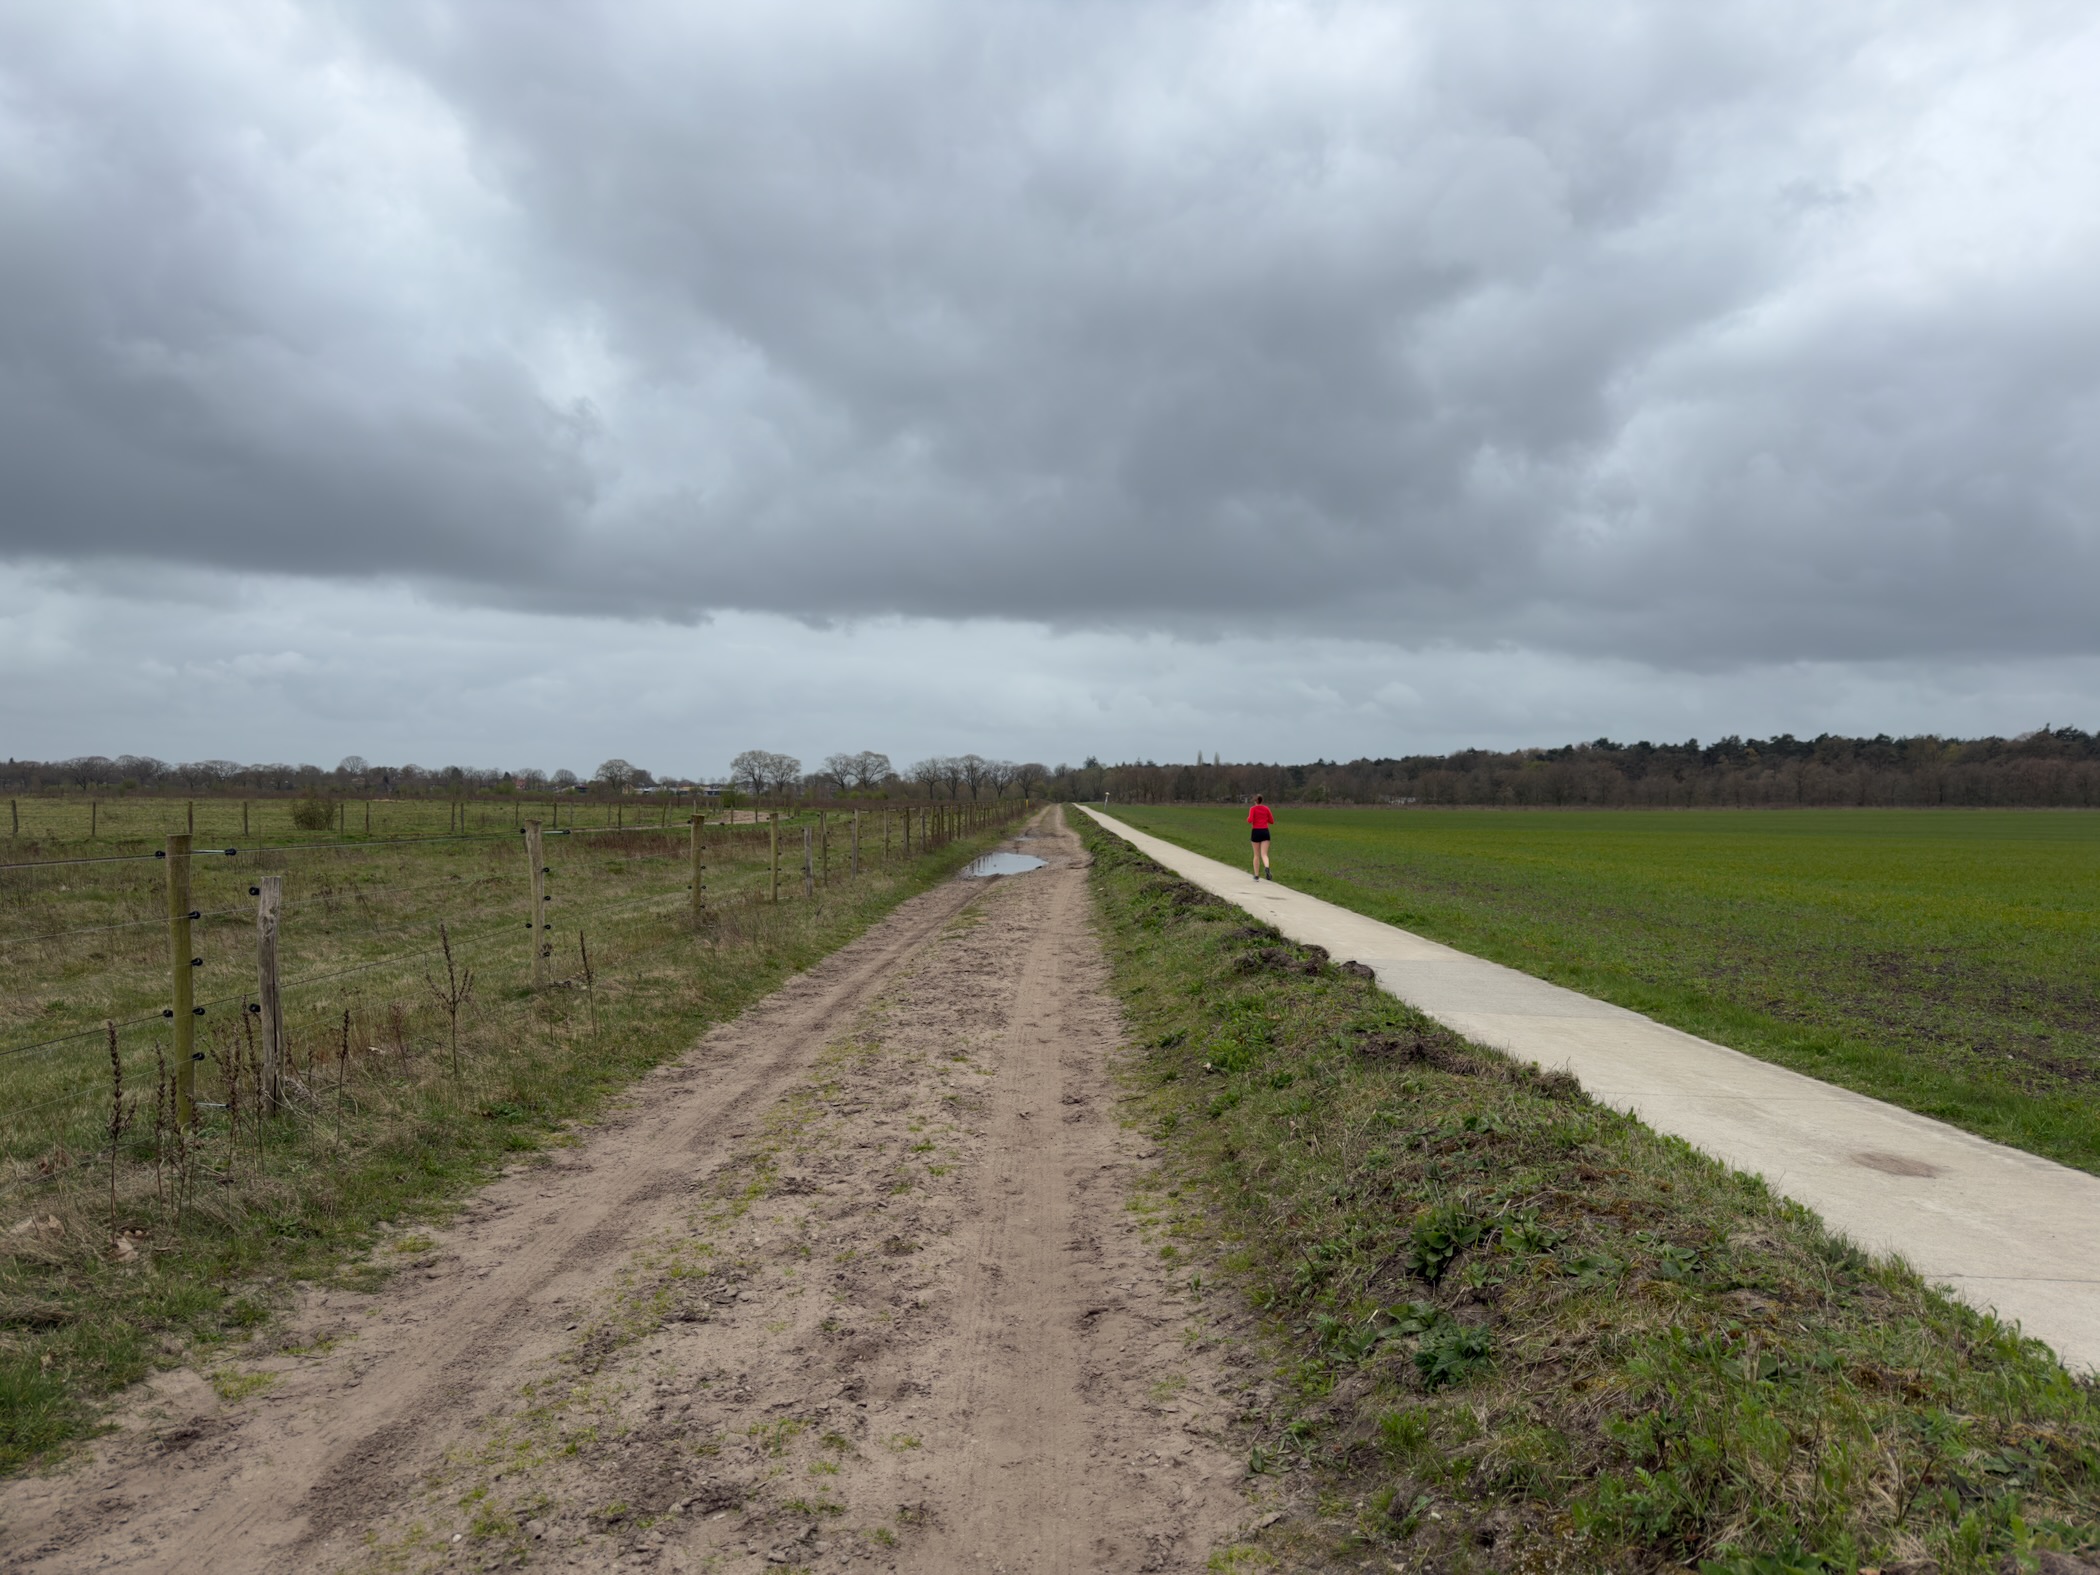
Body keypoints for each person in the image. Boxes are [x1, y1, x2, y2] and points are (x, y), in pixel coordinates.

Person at [1247, 794, 1275, 879]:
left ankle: (1256, 875)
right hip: (1265, 831)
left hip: (1256, 831)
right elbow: (1272, 821)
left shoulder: (1253, 809)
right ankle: (1266, 867)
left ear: (1255, 801)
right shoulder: (1266, 809)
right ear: (1262, 801)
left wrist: (1249, 818)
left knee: (1256, 855)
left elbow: (1250, 820)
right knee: (1264, 854)